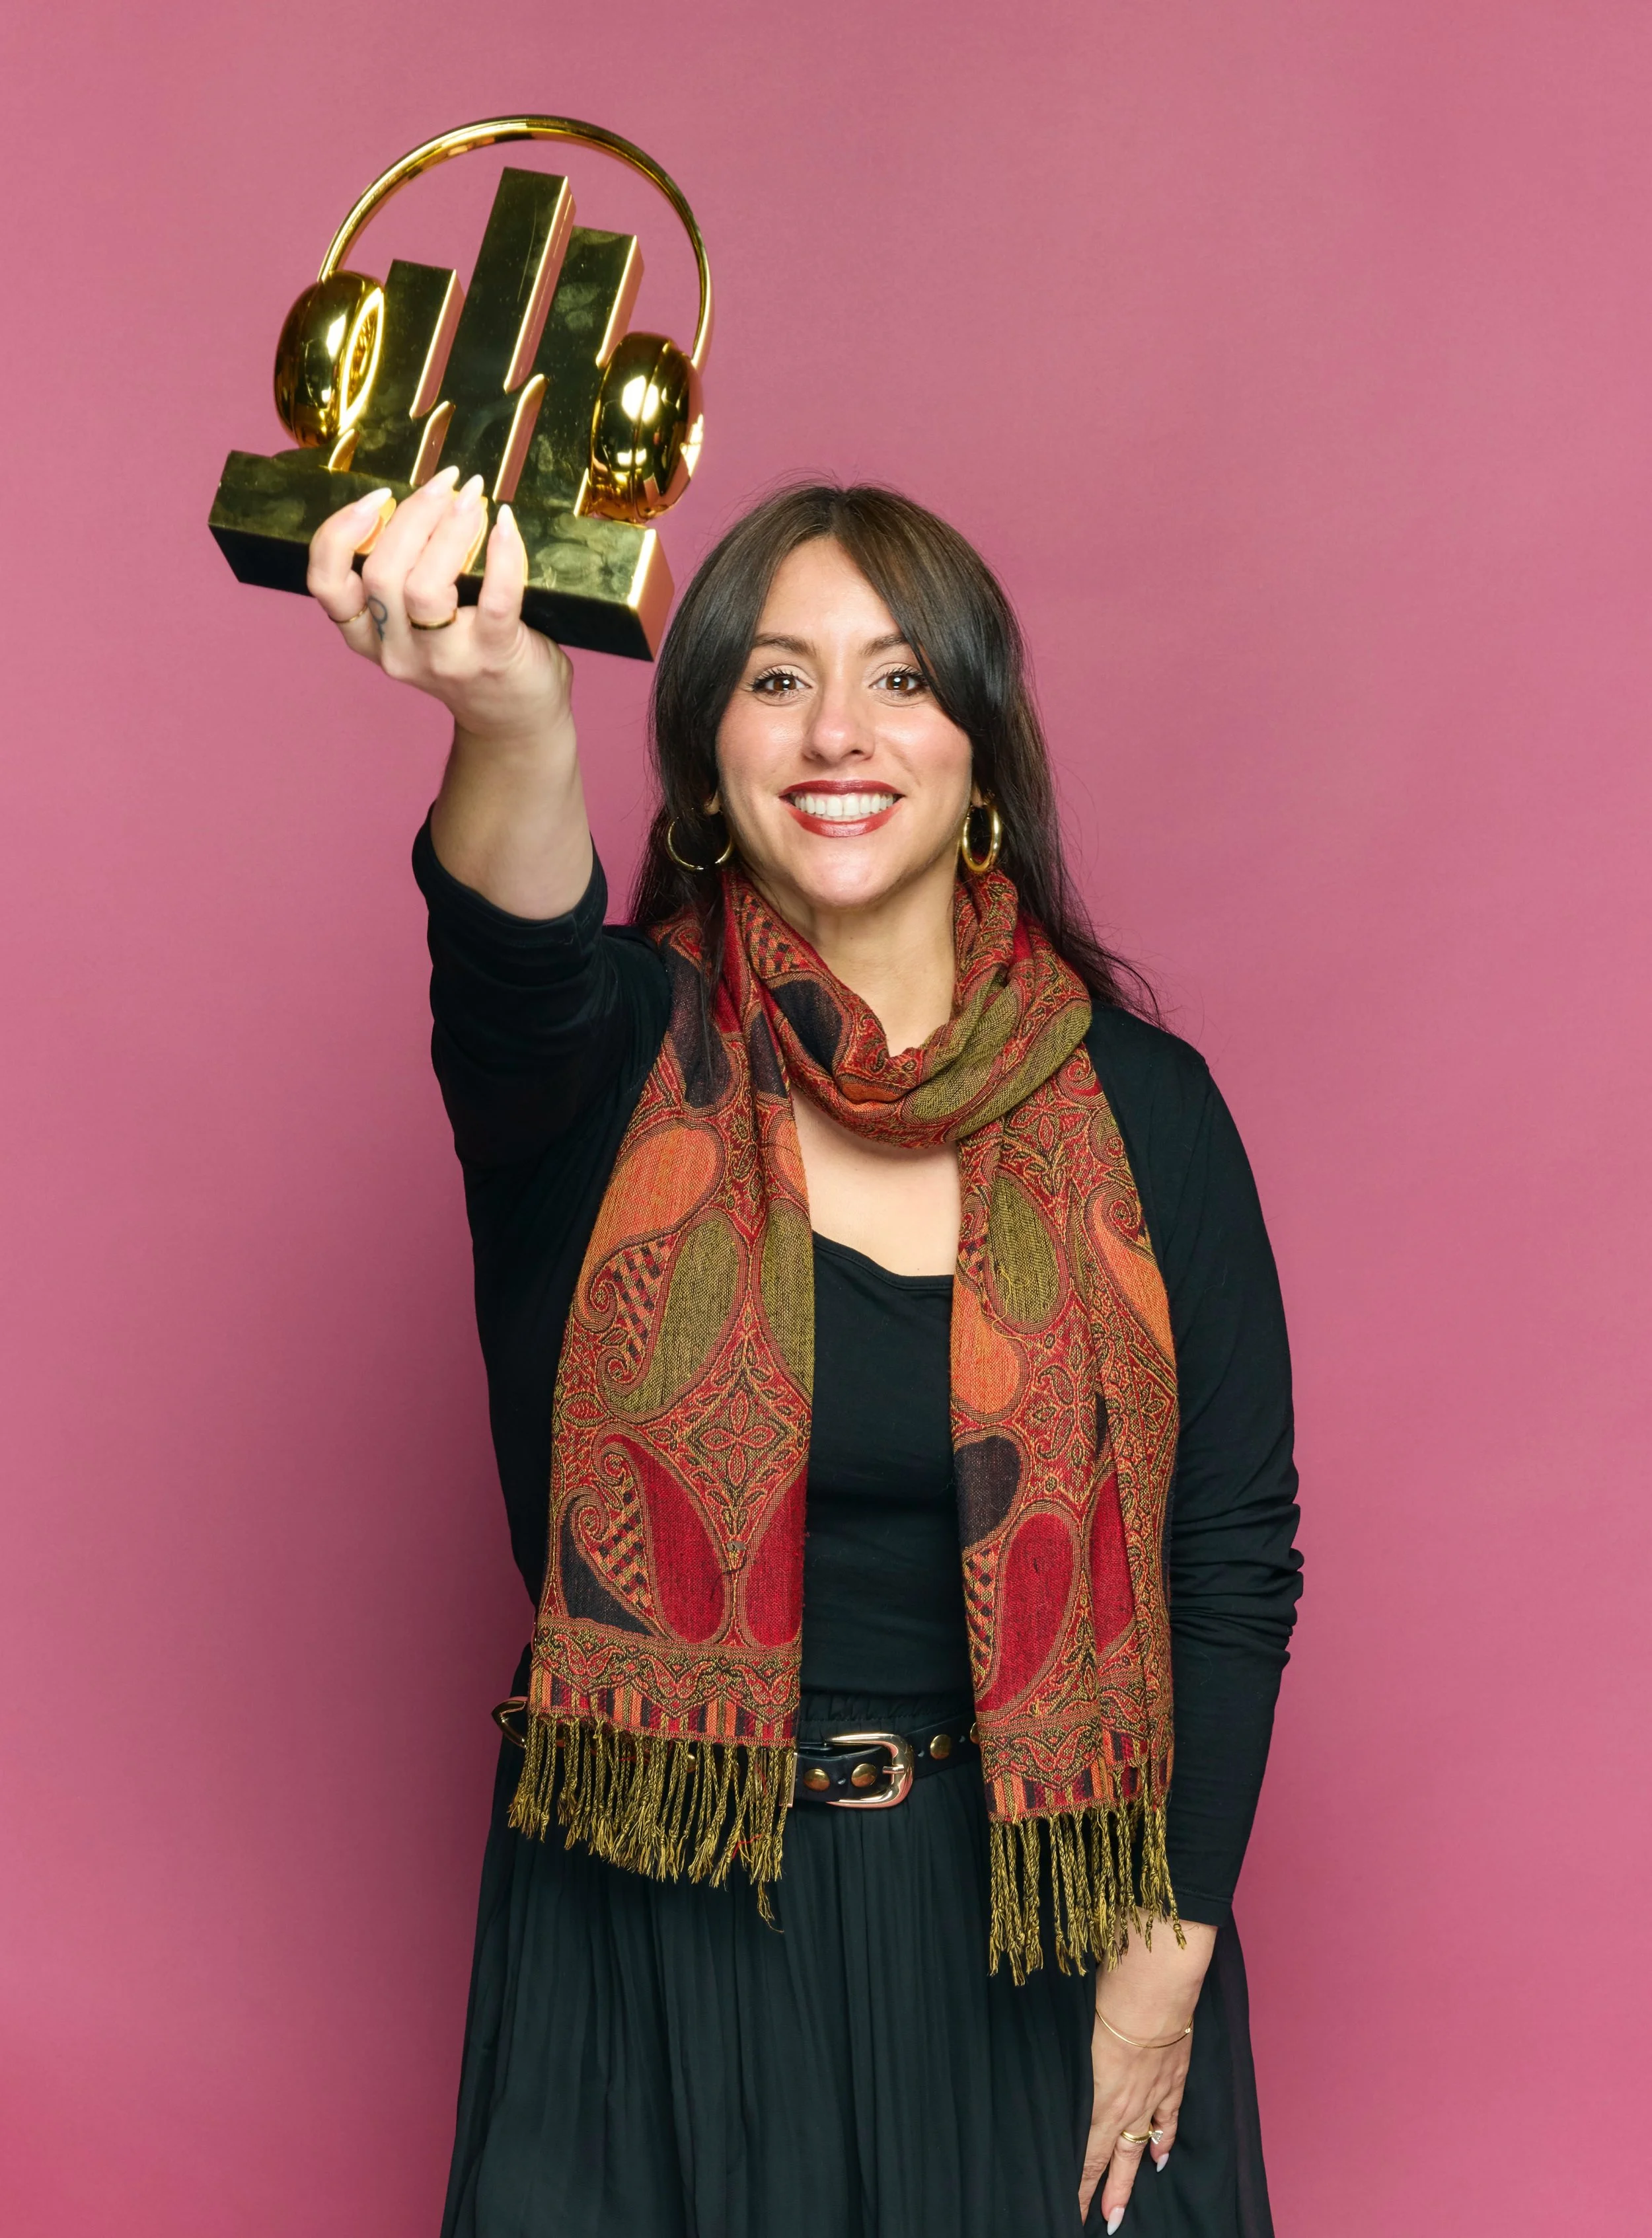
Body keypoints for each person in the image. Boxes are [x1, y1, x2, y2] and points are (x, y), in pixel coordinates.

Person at [307, 469, 1302, 2238]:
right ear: (706, 763)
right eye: (776, 680)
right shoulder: (606, 1068)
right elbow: (514, 949)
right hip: (659, 1927)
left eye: (901, 677)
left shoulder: (1147, 1111)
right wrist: (514, 711)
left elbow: (1229, 1551)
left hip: (1043, 1933)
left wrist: (1167, 1958)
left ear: (982, 758)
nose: (838, 730)